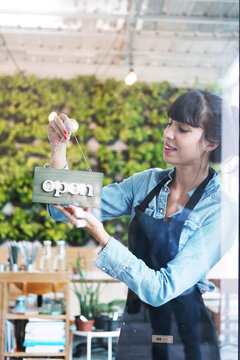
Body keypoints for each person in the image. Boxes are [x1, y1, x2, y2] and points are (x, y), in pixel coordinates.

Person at [47, 90, 237, 360]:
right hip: (135, 334)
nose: (167, 134)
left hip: (186, 345)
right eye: (169, 122)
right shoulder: (146, 183)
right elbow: (62, 208)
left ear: (211, 143)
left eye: (182, 129)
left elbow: (161, 289)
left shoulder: (221, 211)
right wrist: (58, 147)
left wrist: (101, 236)